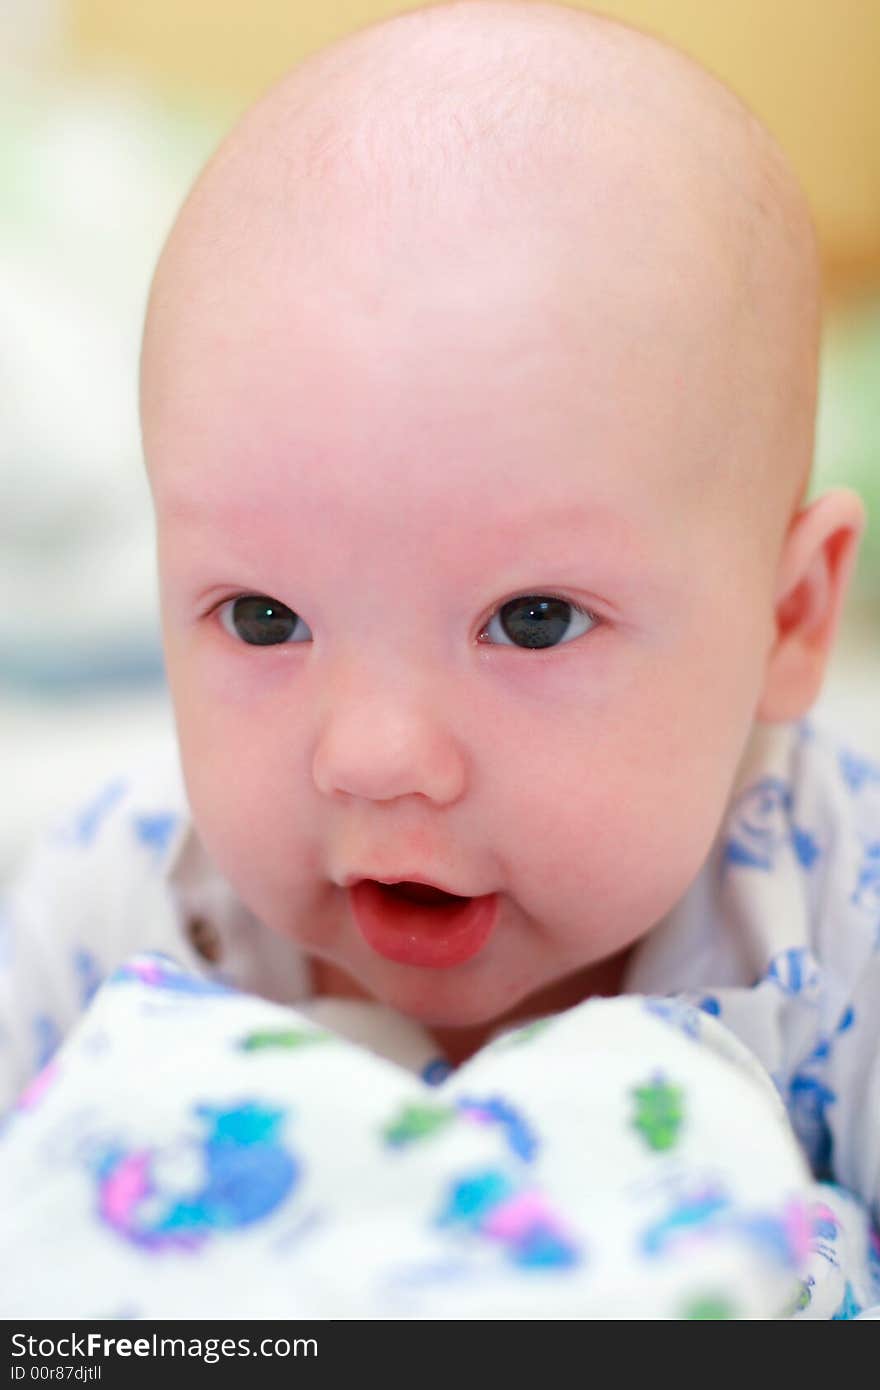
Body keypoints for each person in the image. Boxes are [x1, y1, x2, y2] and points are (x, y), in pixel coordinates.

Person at [1, 0, 877, 1318]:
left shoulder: (834, 914)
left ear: (790, 618)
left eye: (530, 619)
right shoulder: (118, 917)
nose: (374, 754)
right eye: (261, 617)